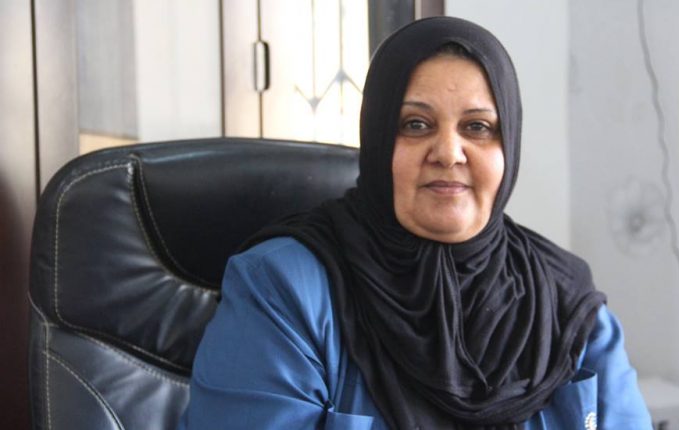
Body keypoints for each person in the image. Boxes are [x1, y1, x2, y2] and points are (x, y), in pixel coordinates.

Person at [179, 17, 651, 429]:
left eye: (477, 127)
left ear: (509, 145)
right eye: (416, 125)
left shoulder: (567, 302)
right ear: (378, 139)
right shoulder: (283, 289)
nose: (448, 153)